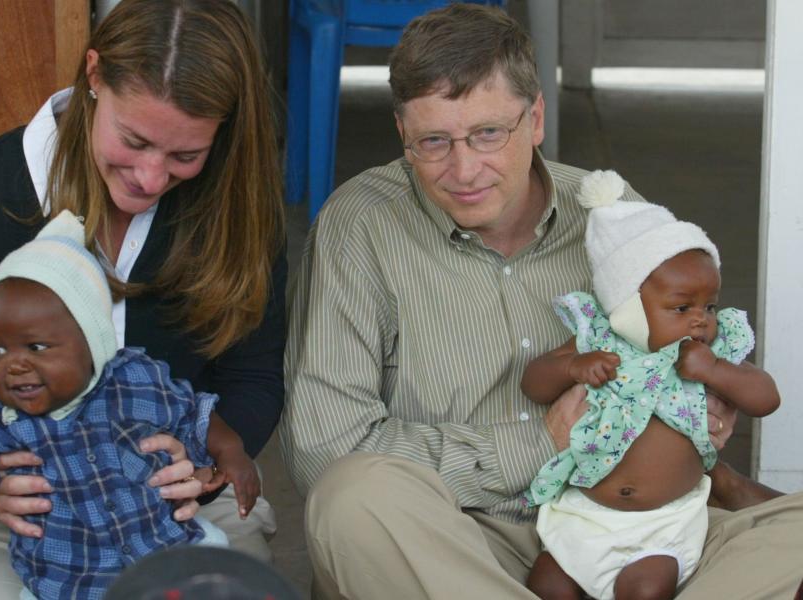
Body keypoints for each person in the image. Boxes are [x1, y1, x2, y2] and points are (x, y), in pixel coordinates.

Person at [280, 4, 803, 599]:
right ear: (403, 135)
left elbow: (687, 342)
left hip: (633, 527)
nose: (464, 169)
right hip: (459, 539)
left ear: (534, 120)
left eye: (488, 133)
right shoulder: (362, 225)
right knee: (354, 500)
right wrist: (538, 444)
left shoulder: (609, 213)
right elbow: (327, 450)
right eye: (434, 141)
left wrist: (705, 409)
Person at [0, 0, 285, 597]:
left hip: (180, 507)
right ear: (94, 75)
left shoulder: (237, 207)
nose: (152, 179)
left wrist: (204, 469)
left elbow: (254, 378)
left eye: (186, 156)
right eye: (134, 140)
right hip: (19, 523)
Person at [0, 211, 247, 600]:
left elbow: (192, 411)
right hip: (69, 582)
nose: (15, 364)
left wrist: (229, 451)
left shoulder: (133, 380)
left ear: (91, 341)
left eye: (37, 347)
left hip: (164, 551)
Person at [520, 171, 780, 600]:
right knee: (548, 584)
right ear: (627, 307)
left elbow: (766, 398)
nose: (701, 318)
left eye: (709, 305)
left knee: (645, 591)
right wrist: (573, 368)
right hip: (586, 516)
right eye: (682, 307)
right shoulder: (597, 341)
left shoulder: (709, 352)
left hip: (662, 526)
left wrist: (716, 371)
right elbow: (534, 381)